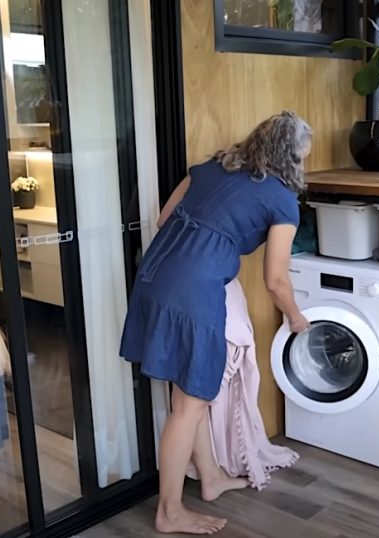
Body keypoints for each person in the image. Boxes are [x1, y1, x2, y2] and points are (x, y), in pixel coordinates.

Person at [120, 111, 312, 535]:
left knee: (189, 392)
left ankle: (210, 478)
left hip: (154, 275)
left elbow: (163, 220)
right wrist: (298, 320)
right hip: (191, 289)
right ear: (292, 158)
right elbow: (276, 280)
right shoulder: (282, 199)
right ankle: (169, 512)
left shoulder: (210, 167)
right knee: (189, 405)